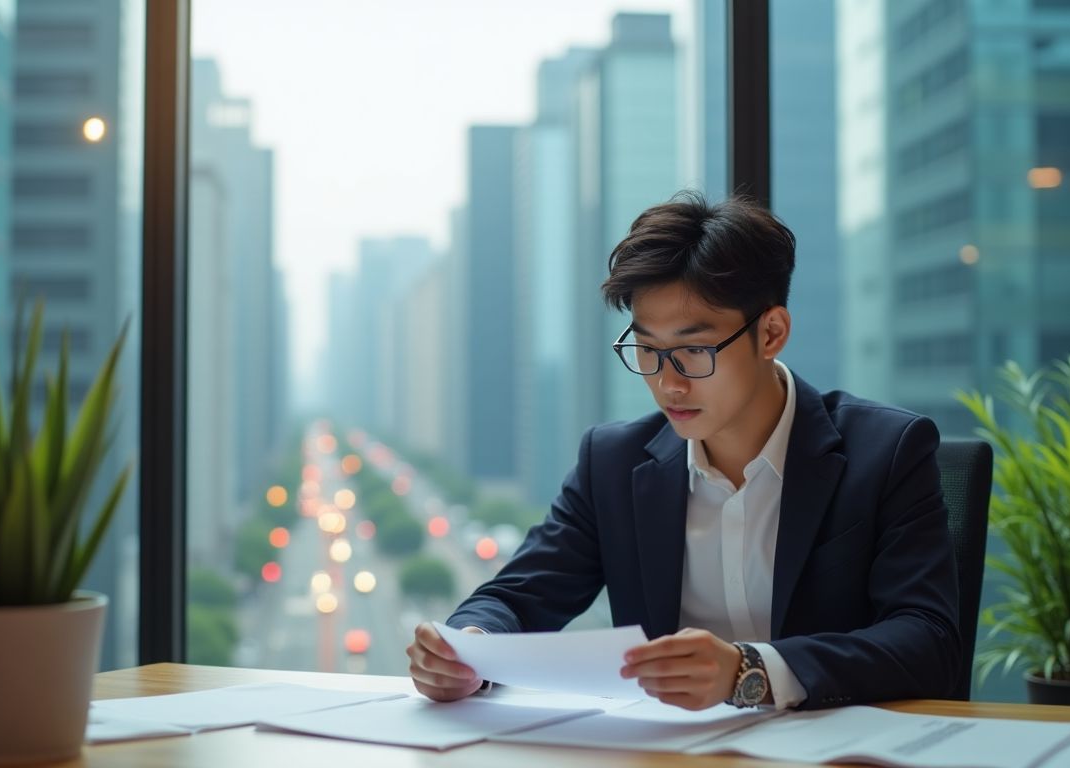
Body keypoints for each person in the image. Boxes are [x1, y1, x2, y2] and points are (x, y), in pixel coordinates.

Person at [405, 191, 961, 711]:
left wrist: (751, 671)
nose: (668, 383)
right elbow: (519, 596)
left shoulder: (886, 451)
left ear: (770, 333)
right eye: (648, 350)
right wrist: (466, 649)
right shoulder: (614, 462)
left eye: (694, 351)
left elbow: (927, 641)